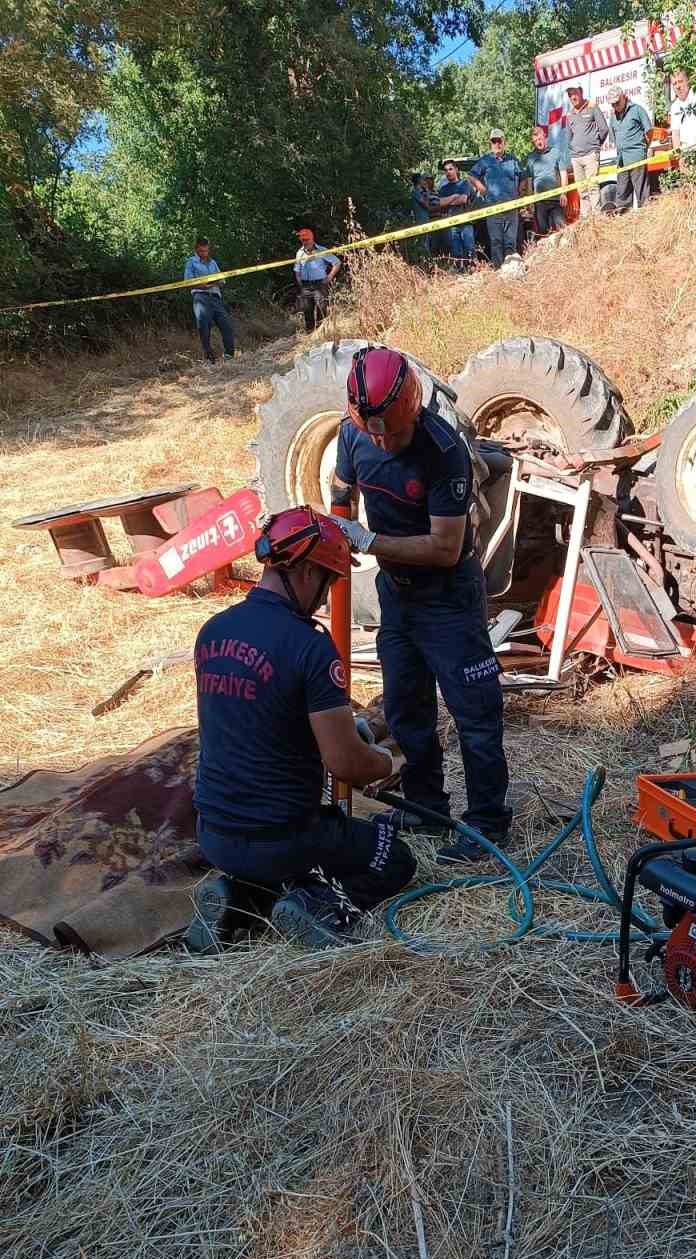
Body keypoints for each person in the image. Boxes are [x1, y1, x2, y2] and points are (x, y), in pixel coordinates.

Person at [186, 506, 416, 954]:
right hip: (282, 835)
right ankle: (319, 905)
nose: (326, 594)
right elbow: (346, 764)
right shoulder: (310, 647)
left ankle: (236, 898)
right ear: (308, 571)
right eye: (328, 581)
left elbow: (260, 718)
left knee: (281, 856)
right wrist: (385, 761)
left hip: (213, 831)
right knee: (394, 857)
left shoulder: (213, 631)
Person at [328, 346, 511, 864]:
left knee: (475, 714)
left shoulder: (442, 450)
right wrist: (335, 529)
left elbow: (444, 547)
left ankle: (488, 823)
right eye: (373, 431)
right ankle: (426, 804)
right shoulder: (353, 433)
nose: (382, 441)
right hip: (397, 595)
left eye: (391, 432)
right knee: (406, 707)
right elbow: (341, 495)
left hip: (448, 598)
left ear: (411, 408)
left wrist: (367, 541)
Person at [468, 129, 526, 266]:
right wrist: (481, 187)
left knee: (510, 242)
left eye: (499, 140)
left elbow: (524, 176)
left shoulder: (513, 160)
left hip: (511, 208)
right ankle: (498, 272)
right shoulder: (485, 161)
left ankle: (511, 270)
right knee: (496, 242)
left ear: (504, 142)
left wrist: (520, 190)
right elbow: (471, 176)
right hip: (493, 209)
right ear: (490, 143)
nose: (497, 144)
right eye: (494, 141)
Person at [183, 237, 236, 363]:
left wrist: (215, 282)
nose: (204, 253)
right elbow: (187, 282)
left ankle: (229, 356)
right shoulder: (191, 262)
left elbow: (223, 280)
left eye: (206, 251)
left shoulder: (213, 263)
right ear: (196, 249)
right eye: (201, 251)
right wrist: (201, 285)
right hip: (200, 297)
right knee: (203, 326)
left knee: (227, 325)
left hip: (215, 297)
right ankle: (209, 358)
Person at [564, 84, 608, 219]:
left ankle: (597, 219)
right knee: (582, 191)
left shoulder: (592, 107)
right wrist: (572, 149)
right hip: (576, 158)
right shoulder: (570, 115)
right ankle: (586, 220)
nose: (573, 97)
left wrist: (595, 145)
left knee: (593, 187)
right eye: (570, 95)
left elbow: (604, 129)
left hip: (590, 155)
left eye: (575, 93)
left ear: (581, 92)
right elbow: (568, 137)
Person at [606, 87, 652, 213]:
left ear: (624, 97)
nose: (615, 106)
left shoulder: (637, 110)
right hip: (621, 160)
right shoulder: (613, 117)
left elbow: (649, 131)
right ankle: (623, 219)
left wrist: (643, 149)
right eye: (613, 104)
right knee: (622, 193)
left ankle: (647, 216)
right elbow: (614, 138)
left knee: (642, 192)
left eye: (617, 102)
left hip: (637, 157)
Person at [294, 225, 342, 331]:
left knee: (322, 309)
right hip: (305, 285)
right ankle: (310, 335)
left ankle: (322, 333)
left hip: (320, 284)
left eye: (306, 239)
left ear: (311, 239)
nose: (304, 242)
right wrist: (300, 284)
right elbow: (297, 270)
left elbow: (337, 263)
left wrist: (329, 277)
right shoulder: (299, 253)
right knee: (307, 311)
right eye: (302, 240)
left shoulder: (321, 250)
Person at [527, 124, 569, 235]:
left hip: (556, 200)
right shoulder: (531, 158)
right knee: (544, 234)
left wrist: (564, 193)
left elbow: (563, 174)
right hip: (539, 202)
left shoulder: (555, 152)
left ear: (545, 136)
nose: (538, 142)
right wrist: (531, 201)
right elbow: (530, 181)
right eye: (535, 141)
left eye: (540, 138)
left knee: (563, 230)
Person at [438, 159, 478, 269]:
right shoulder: (443, 188)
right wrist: (454, 196)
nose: (448, 172)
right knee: (456, 251)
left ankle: (473, 270)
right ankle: (461, 273)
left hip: (466, 222)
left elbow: (463, 200)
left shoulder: (464, 183)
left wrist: (448, 201)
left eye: (450, 169)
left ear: (456, 170)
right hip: (452, 224)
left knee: (469, 248)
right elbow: (440, 203)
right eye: (446, 170)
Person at [669, 70, 696, 154]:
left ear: (687, 81)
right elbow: (675, 134)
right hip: (687, 154)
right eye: (674, 84)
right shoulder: (674, 107)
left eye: (680, 81)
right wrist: (679, 157)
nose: (678, 86)